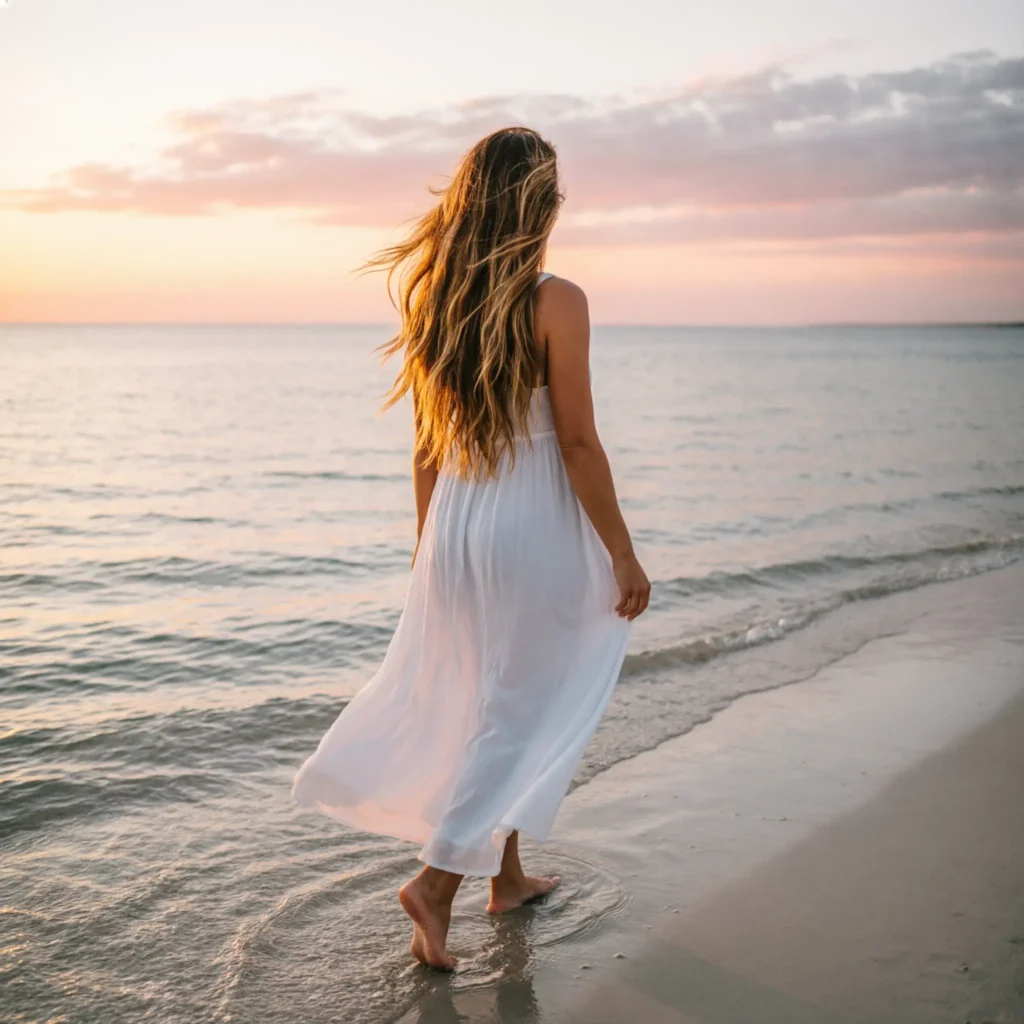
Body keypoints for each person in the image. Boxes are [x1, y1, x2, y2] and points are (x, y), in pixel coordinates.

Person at [291, 126, 650, 970]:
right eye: (553, 193)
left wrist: (431, 547)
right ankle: (438, 882)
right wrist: (624, 552)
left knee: (494, 696)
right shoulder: (557, 300)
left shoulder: (440, 304)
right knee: (525, 703)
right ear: (537, 205)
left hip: (457, 520)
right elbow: (576, 444)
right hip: (528, 522)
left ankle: (507, 877)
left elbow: (426, 447)